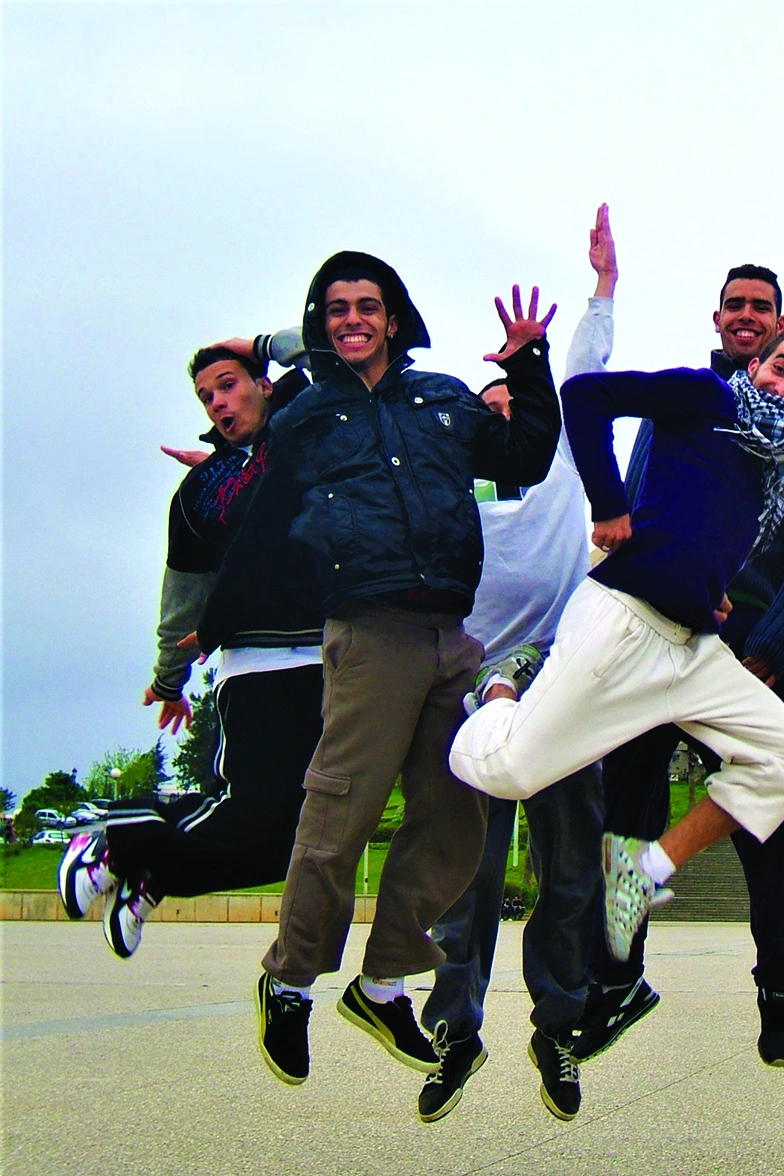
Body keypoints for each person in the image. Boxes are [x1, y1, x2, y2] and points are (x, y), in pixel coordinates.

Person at [201, 251, 561, 1086]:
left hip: (451, 634)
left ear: (393, 317)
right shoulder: (303, 418)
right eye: (336, 309)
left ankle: (385, 979)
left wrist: (527, 363)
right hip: (368, 634)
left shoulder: (441, 399)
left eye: (368, 305)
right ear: (322, 323)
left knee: (457, 810)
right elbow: (257, 508)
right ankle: (290, 981)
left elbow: (527, 456)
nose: (352, 319)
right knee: (341, 815)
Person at [447, 323, 784, 1012]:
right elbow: (586, 395)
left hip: (693, 649)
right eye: (780, 368)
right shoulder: (706, 396)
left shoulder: (773, 459)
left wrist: (709, 585)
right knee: (513, 771)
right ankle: (499, 689)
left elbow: (710, 523)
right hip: (622, 622)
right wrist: (609, 502)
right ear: (757, 362)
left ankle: (644, 871)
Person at [581, 262, 784, 1069]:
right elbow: (642, 477)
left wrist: (777, 644)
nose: (748, 317)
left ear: (776, 326)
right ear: (719, 317)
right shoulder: (691, 392)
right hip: (662, 617)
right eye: (736, 306)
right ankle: (619, 975)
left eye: (763, 308)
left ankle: (776, 974)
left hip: (750, 628)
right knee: (628, 794)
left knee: (768, 801)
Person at [417, 205, 618, 1124]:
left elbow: (584, 374)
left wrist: (601, 290)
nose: (506, 418)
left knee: (570, 869)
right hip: (471, 693)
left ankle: (559, 1026)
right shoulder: (453, 491)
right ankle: (454, 1028)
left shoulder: (568, 463)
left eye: (513, 406)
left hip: (562, 688)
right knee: (465, 870)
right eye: (490, 413)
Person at [57, 340, 318, 959]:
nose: (220, 402)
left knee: (290, 846)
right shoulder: (203, 490)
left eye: (229, 384)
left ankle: (152, 874)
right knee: (251, 812)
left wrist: (258, 345)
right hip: (257, 669)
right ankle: (116, 840)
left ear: (266, 383)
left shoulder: (307, 427)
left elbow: (328, 339)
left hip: (334, 660)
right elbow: (181, 599)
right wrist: (168, 681)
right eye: (207, 396)